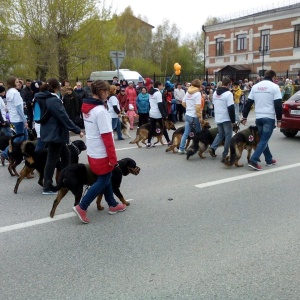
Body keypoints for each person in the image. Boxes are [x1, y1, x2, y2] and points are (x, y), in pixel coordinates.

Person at [73, 80, 126, 224]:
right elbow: (108, 137)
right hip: (102, 152)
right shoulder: (100, 111)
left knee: (105, 177)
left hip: (92, 150)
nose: (108, 94)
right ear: (101, 92)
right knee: (103, 180)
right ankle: (82, 207)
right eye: (107, 92)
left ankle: (113, 204)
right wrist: (113, 158)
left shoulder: (87, 107)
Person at [38, 78, 84, 194]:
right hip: (55, 134)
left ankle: (64, 181)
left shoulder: (46, 98)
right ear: (56, 88)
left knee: (66, 155)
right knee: (52, 160)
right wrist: (77, 130)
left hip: (53, 133)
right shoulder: (53, 100)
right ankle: (47, 186)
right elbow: (63, 117)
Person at [242, 69, 282, 171]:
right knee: (264, 140)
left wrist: (244, 117)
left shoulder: (255, 87)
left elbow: (248, 103)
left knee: (263, 139)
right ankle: (254, 160)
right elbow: (278, 105)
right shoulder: (274, 87)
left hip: (258, 117)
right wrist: (279, 119)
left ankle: (269, 159)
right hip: (268, 117)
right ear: (273, 77)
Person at [1, 76, 29, 165]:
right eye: (17, 82)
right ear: (13, 83)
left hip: (14, 117)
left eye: (19, 82)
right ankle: (5, 153)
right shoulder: (15, 93)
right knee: (20, 137)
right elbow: (18, 108)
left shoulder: (9, 92)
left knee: (25, 136)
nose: (19, 84)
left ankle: (24, 154)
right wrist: (24, 120)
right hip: (18, 118)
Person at [208, 77, 235, 163]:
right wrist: (233, 120)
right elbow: (231, 108)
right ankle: (225, 154)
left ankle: (213, 148)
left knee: (220, 134)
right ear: (228, 84)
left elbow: (214, 103)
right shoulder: (228, 94)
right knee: (228, 136)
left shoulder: (216, 92)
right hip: (226, 117)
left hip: (218, 116)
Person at [178, 79, 203, 154]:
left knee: (186, 133)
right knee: (199, 132)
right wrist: (200, 117)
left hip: (188, 114)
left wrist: (188, 107)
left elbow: (183, 103)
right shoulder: (198, 93)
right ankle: (199, 146)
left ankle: (181, 148)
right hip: (194, 115)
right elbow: (198, 107)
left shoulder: (188, 92)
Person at [146, 81, 169, 148]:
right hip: (158, 114)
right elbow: (160, 105)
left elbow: (150, 103)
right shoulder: (158, 93)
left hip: (152, 112)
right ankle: (168, 141)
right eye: (162, 85)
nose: (163, 87)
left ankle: (148, 142)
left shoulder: (150, 93)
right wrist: (164, 115)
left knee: (151, 128)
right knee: (163, 127)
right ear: (158, 86)